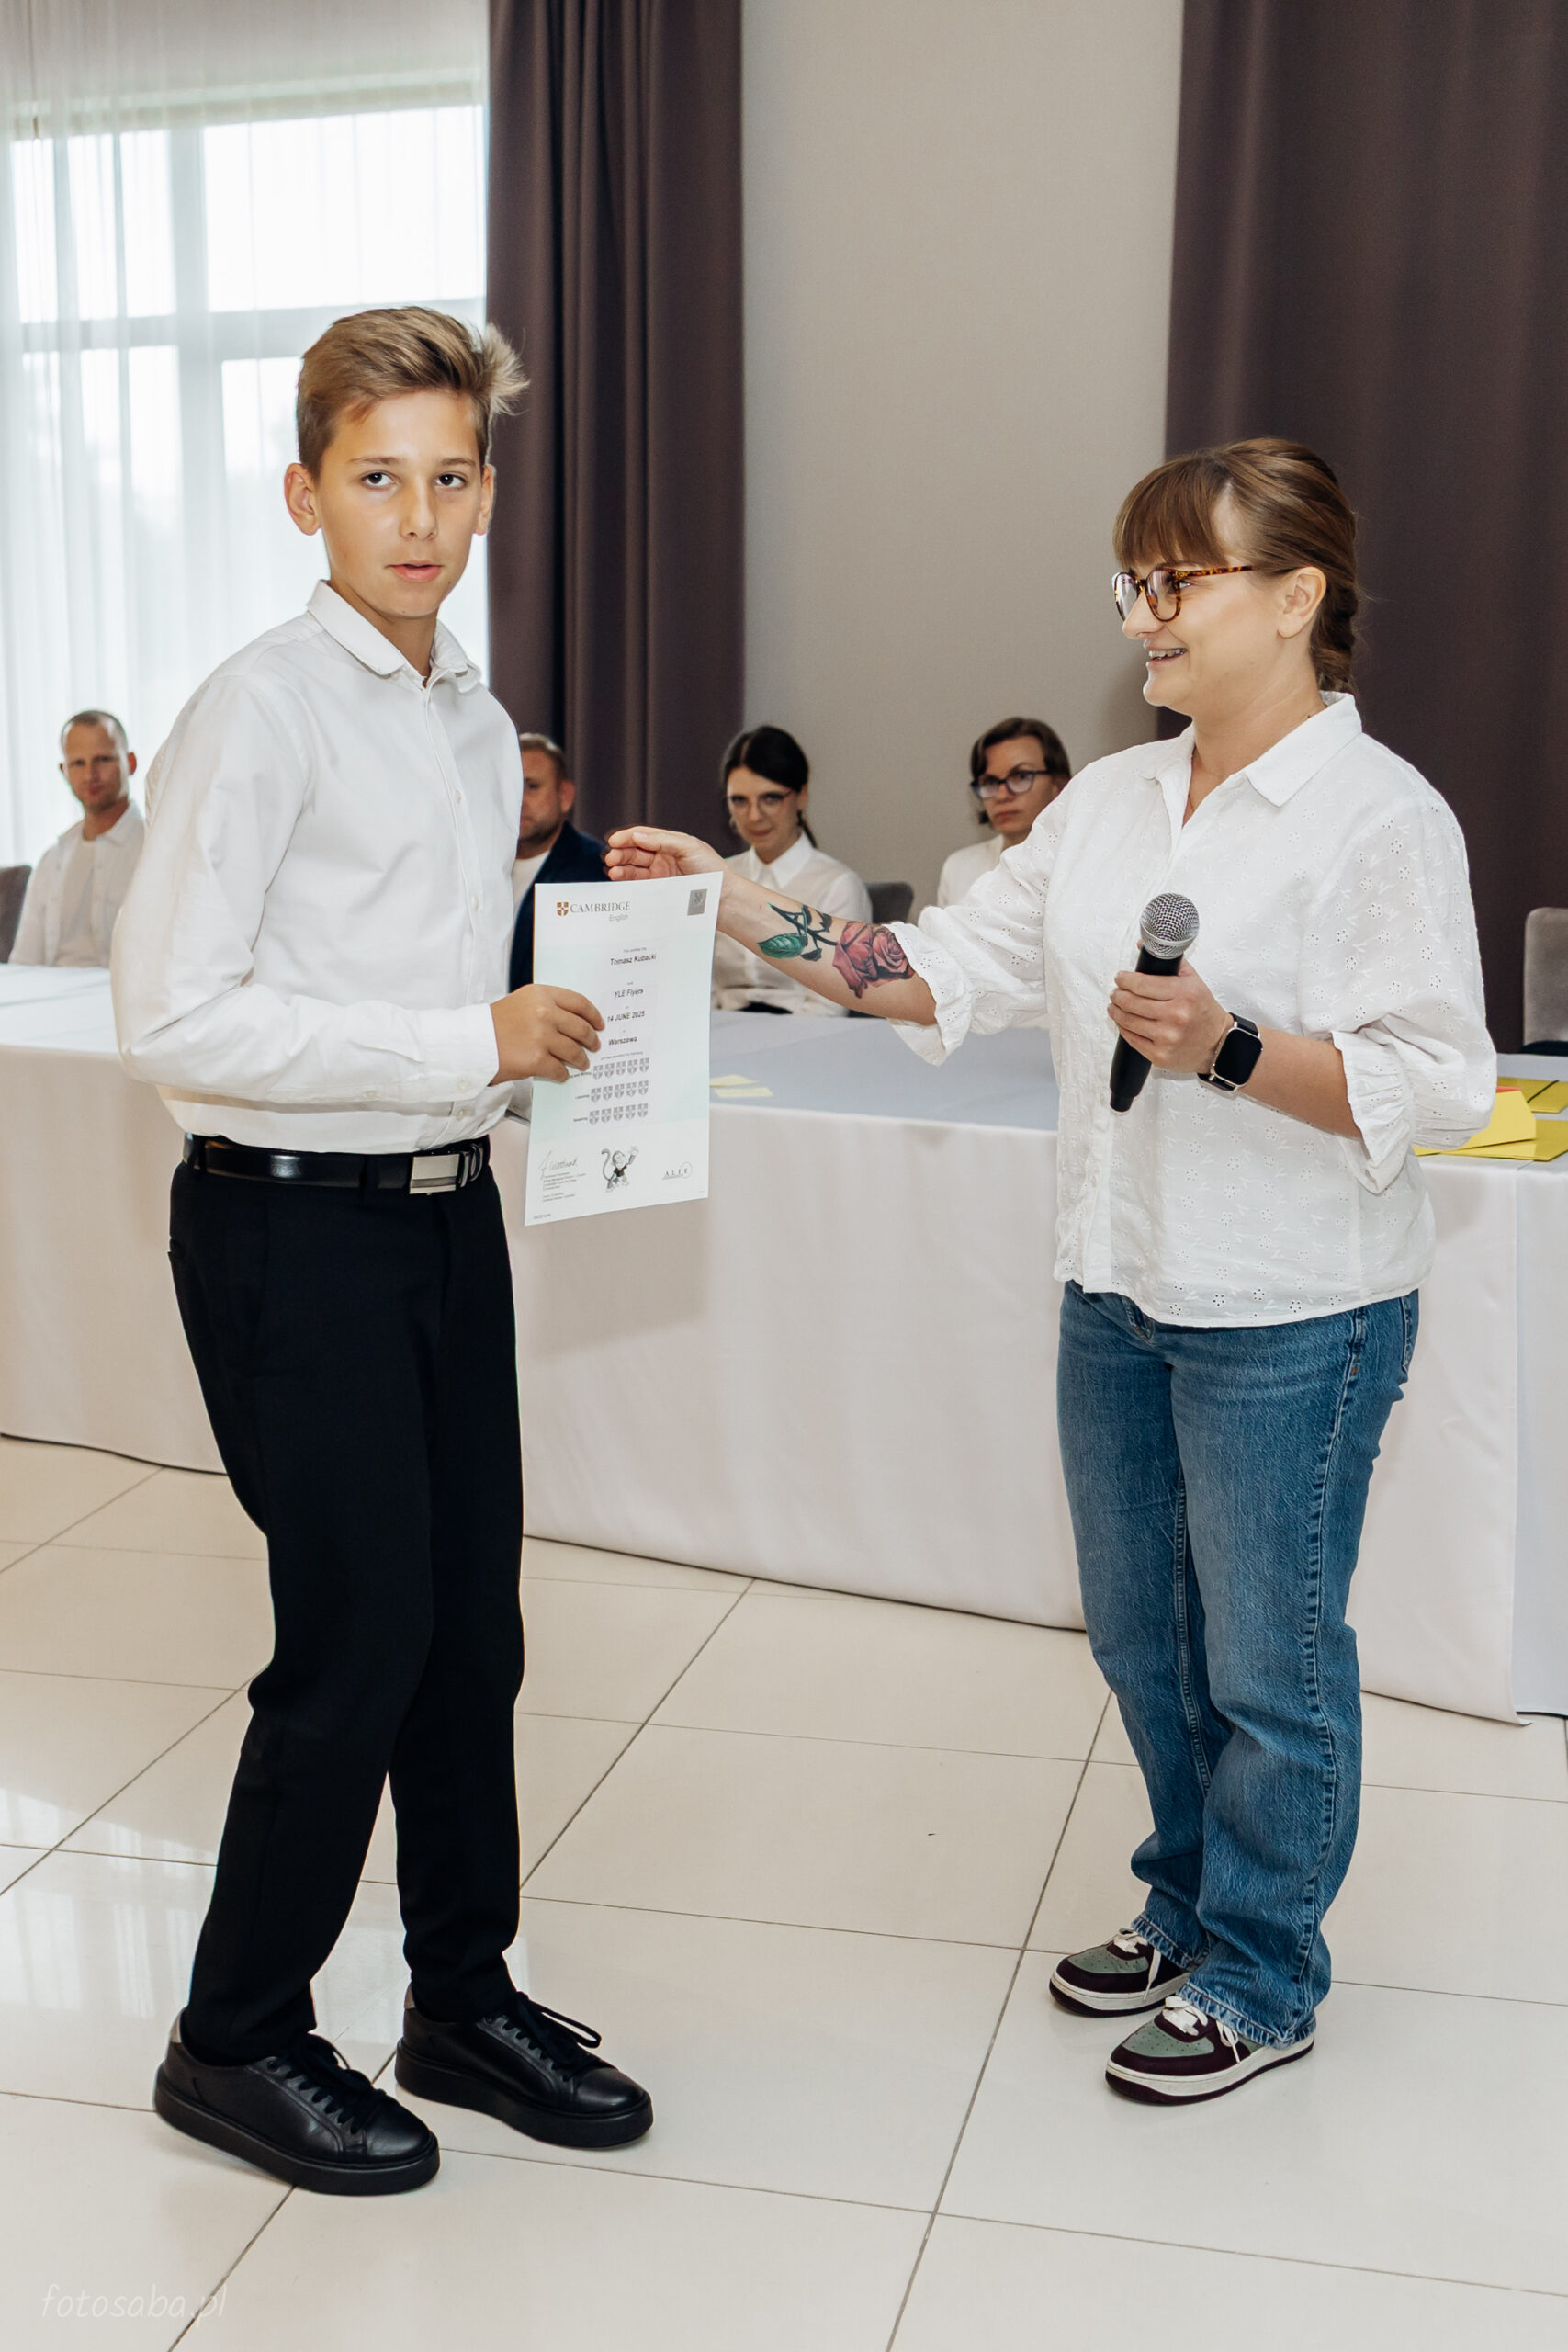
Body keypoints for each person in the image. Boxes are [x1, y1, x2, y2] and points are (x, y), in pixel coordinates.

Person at [607, 437, 1494, 2108]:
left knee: (1269, 1669)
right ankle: (1188, 1903)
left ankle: (1262, 1972)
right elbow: (930, 969)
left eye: (1176, 582)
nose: (1141, 615)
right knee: (1144, 1645)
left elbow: (1437, 1083)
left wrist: (1231, 1048)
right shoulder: (1107, 803)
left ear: (1293, 598)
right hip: (1117, 1283)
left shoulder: (1379, 818)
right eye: (1130, 583)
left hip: (1291, 1311)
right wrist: (732, 903)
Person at [112, 305, 651, 2196]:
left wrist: (568, 998)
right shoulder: (258, 708)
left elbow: (429, 984)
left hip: (441, 1214)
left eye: (449, 478)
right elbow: (175, 1015)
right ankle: (235, 2034)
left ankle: (459, 1997)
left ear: (488, 492)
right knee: (357, 1640)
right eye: (375, 479)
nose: (417, 519)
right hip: (286, 1224)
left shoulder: (474, 720)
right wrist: (461, 1041)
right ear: (304, 495)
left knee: (470, 1632)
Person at [709, 724, 871, 1014]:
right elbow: (697, 986)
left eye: (770, 798)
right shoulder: (717, 877)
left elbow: (828, 1008)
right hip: (720, 1029)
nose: (754, 816)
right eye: (740, 801)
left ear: (801, 796)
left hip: (803, 1034)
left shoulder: (837, 885)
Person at [11, 709, 144, 966]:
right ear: (64, 770)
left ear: (131, 763)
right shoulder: (51, 861)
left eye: (103, 759)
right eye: (78, 763)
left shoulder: (157, 848)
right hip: (54, 989)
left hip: (129, 991)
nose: (90, 775)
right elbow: (25, 963)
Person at [935, 715, 1070, 907]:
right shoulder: (959, 868)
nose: (1001, 795)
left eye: (1021, 776)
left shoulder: (1083, 861)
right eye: (989, 782)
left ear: (1059, 785)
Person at [507, 731, 607, 987]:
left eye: (531, 786)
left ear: (565, 796)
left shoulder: (599, 871)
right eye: (508, 787)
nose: (517, 799)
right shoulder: (474, 866)